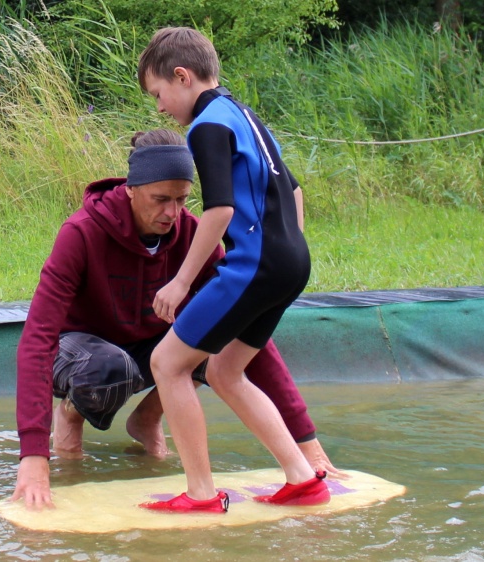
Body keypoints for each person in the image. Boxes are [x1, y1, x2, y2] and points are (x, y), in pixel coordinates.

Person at [11, 128, 340, 510]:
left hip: (151, 349)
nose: (172, 212)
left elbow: (251, 338)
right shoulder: (81, 233)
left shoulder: (193, 234)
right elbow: (38, 339)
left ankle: (147, 418)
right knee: (108, 369)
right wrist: (33, 458)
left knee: (216, 343)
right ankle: (70, 418)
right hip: (82, 352)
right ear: (132, 189)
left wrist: (308, 445)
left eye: (182, 199)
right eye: (160, 199)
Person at [136, 27, 327, 514]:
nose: (160, 107)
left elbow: (218, 211)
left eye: (159, 93)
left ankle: (199, 493)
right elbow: (295, 189)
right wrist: (289, 248)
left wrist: (180, 282)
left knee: (167, 363)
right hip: (292, 260)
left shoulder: (206, 126)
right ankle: (302, 478)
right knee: (223, 370)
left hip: (258, 264)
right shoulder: (245, 114)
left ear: (181, 76)